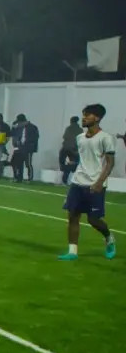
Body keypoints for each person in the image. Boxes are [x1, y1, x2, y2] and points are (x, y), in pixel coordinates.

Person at [59, 103, 116, 261]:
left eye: (87, 115)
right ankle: (72, 252)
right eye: (83, 114)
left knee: (93, 220)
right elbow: (84, 158)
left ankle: (109, 237)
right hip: (78, 182)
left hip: (95, 184)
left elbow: (110, 163)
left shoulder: (106, 138)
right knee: (73, 216)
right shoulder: (80, 138)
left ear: (97, 118)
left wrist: (99, 182)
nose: (83, 118)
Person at [60, 116, 83, 185]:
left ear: (71, 121)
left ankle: (64, 179)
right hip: (74, 150)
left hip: (66, 148)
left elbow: (64, 137)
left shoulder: (68, 128)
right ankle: (77, 180)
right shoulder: (80, 130)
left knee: (64, 163)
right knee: (75, 164)